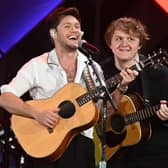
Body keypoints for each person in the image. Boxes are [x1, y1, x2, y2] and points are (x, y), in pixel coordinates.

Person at [0, 8, 138, 168]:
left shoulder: (92, 67)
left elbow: (102, 114)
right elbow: (5, 98)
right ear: (53, 33)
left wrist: (121, 88)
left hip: (83, 148)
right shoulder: (37, 65)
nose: (74, 30)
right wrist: (37, 114)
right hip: (46, 144)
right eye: (67, 26)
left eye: (77, 26)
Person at [102, 17, 168, 168]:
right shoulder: (100, 71)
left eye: (131, 39)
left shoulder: (158, 72)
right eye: (118, 38)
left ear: (139, 45)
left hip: (153, 153)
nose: (124, 44)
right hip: (115, 153)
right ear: (110, 44)